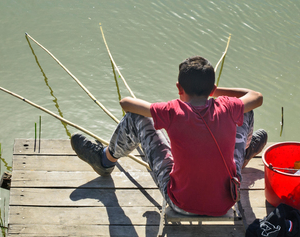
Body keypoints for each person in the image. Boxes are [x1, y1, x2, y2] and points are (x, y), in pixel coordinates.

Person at [70, 56, 267, 216]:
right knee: (246, 111)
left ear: (179, 88)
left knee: (135, 118)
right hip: (226, 201)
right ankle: (240, 159)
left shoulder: (172, 110)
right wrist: (214, 91)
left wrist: (165, 106)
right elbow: (255, 96)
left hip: (181, 203)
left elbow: (126, 103)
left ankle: (105, 160)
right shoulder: (227, 106)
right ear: (212, 90)